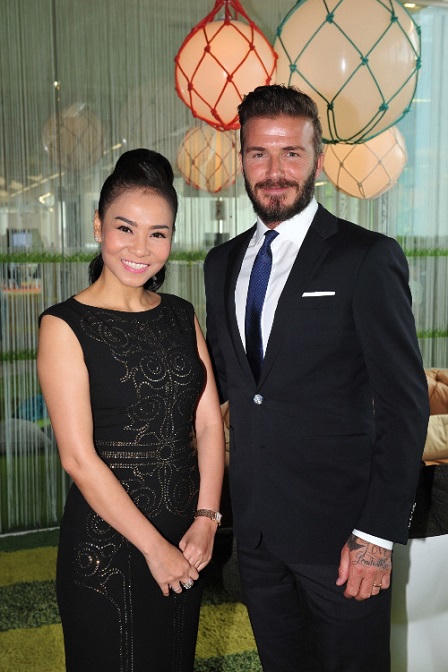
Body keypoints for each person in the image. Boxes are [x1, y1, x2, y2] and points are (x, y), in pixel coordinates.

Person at [203, 85, 429, 672]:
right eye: (259, 153)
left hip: (344, 541)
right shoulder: (220, 264)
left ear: (318, 161)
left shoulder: (366, 257)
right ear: (241, 159)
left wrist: (377, 536)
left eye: (292, 153)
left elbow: (405, 405)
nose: (274, 171)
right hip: (257, 538)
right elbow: (228, 383)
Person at [37, 149, 225, 672]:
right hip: (108, 544)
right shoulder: (63, 325)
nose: (141, 248)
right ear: (98, 225)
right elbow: (78, 459)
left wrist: (207, 519)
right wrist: (154, 549)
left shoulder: (180, 314)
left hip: (187, 538)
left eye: (157, 233)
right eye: (125, 228)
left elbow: (208, 422)